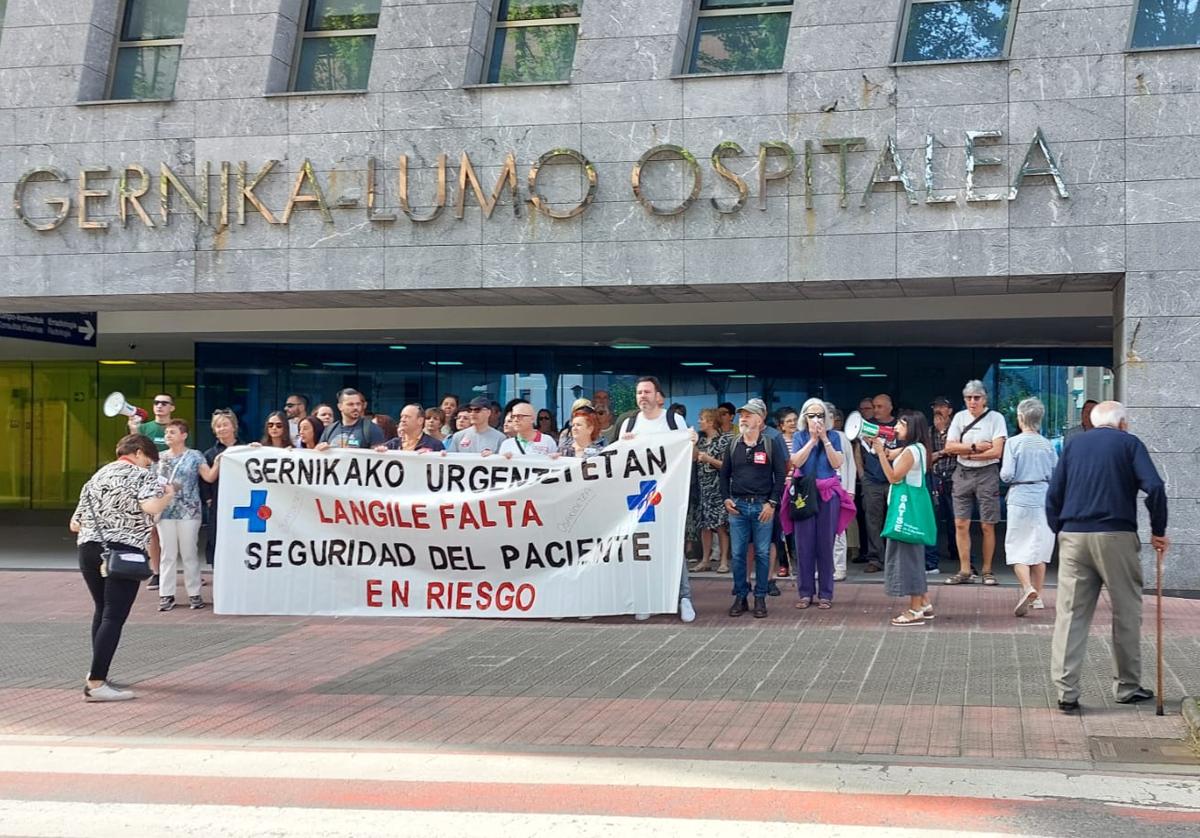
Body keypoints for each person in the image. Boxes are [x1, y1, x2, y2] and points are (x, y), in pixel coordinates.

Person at [1046, 401, 1169, 713]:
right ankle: (1127, 687)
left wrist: (1059, 529)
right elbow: (1154, 487)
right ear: (1123, 423)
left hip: (1074, 535)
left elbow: (1053, 494)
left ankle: (1066, 692)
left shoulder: (1074, 446)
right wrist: (1158, 530)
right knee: (1125, 612)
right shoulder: (1129, 444)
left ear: (1092, 422)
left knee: (1071, 614)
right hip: (1117, 535)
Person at [70, 434, 174, 701]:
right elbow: (150, 505)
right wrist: (168, 496)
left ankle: (98, 672)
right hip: (123, 551)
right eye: (149, 461)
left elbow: (75, 524)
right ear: (139, 453)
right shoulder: (142, 477)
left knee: (102, 610)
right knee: (114, 616)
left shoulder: (96, 478)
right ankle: (96, 683)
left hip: (89, 548)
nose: (149, 467)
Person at [617, 376, 698, 623]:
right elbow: (618, 463)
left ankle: (683, 597)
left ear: (658, 396)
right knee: (643, 547)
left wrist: (692, 442)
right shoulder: (629, 424)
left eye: (647, 391)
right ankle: (648, 598)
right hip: (639, 498)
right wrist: (624, 446)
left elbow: (690, 456)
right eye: (639, 392)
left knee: (672, 545)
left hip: (668, 496)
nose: (643, 396)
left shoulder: (673, 420)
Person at [719, 398, 787, 619]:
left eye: (748, 415)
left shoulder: (770, 443)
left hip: (762, 506)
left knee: (762, 552)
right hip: (738, 506)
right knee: (738, 554)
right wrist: (726, 499)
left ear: (759, 419)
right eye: (742, 415)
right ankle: (741, 596)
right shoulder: (733, 444)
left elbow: (780, 476)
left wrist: (772, 503)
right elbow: (724, 475)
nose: (743, 418)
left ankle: (760, 597)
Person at [943, 380, 1008, 586]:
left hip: (987, 472)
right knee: (960, 523)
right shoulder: (959, 417)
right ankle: (964, 570)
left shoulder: (996, 418)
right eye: (969, 398)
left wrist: (969, 454)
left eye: (976, 398)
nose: (973, 402)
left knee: (988, 525)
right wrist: (976, 447)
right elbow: (949, 447)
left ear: (984, 399)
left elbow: (997, 450)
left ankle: (987, 570)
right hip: (962, 473)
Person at [875, 411, 934, 627]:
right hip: (912, 509)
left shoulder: (910, 451)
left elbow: (893, 476)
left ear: (912, 429)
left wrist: (880, 453)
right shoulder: (918, 448)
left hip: (905, 512)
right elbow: (894, 455)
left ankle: (915, 609)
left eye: (901, 424)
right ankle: (925, 602)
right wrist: (881, 448)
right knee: (913, 557)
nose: (896, 427)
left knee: (909, 560)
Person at [1001, 398, 1058, 617]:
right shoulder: (1048, 444)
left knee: (1017, 548)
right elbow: (1056, 474)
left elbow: (1006, 474)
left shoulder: (1013, 443)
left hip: (1020, 496)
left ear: (1021, 417)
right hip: (1043, 498)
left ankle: (1027, 588)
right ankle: (1039, 597)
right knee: (1039, 550)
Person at [787, 398, 847, 610]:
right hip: (804, 493)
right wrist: (812, 440)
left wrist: (824, 439)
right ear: (804, 417)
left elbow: (837, 463)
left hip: (827, 495)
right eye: (811, 415)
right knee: (804, 544)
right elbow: (796, 461)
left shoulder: (834, 437)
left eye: (819, 415)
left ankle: (825, 593)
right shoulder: (799, 436)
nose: (815, 419)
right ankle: (805, 592)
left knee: (825, 544)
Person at [155, 420, 211, 612]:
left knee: (189, 553)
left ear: (184, 435)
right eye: (166, 433)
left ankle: (194, 593)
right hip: (165, 510)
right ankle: (166, 594)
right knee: (167, 553)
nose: (168, 435)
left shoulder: (195, 456)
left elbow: (209, 476)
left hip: (189, 510)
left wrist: (221, 460)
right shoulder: (159, 458)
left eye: (172, 432)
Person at [856, 393, 898, 573]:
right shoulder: (868, 426)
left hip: (894, 479)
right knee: (872, 521)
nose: (876, 410)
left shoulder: (899, 426)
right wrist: (862, 475)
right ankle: (875, 559)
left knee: (894, 521)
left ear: (890, 407)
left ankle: (894, 558)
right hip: (872, 480)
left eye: (880, 406)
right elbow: (859, 451)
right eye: (874, 406)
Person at [691, 407, 730, 573]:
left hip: (717, 489)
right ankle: (705, 560)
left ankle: (723, 561)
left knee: (720, 526)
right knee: (704, 526)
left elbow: (726, 466)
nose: (699, 421)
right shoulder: (700, 441)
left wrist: (709, 459)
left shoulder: (723, 441)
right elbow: (693, 458)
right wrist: (692, 443)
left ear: (711, 422)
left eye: (702, 419)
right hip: (702, 488)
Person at [200, 409, 239, 566]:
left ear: (234, 427)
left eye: (225, 424)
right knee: (217, 538)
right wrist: (208, 499)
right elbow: (204, 482)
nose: (222, 428)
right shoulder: (209, 454)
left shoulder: (246, 449)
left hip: (240, 502)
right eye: (218, 426)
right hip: (218, 503)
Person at [928, 396, 959, 571]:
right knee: (934, 520)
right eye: (935, 406)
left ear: (950, 410)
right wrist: (943, 452)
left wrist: (947, 449)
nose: (938, 410)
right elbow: (926, 457)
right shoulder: (928, 431)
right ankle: (932, 561)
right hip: (935, 479)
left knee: (957, 520)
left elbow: (961, 451)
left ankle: (959, 554)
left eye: (942, 407)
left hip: (955, 479)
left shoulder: (958, 431)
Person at [825, 402, 856, 582]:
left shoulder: (841, 437)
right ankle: (824, 567)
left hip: (839, 489)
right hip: (819, 490)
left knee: (838, 531)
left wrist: (850, 490)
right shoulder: (810, 437)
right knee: (820, 532)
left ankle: (840, 568)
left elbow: (850, 464)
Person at [317, 388, 385, 450]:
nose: (355, 407)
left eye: (358, 404)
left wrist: (380, 451)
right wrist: (320, 449)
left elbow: (377, 457)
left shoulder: (372, 429)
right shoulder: (330, 430)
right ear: (340, 407)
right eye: (350, 404)